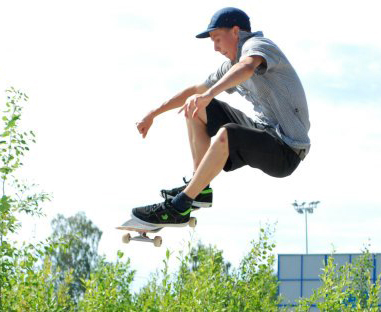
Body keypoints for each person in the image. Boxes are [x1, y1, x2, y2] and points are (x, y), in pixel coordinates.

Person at [132, 7, 311, 226]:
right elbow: (194, 90)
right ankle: (199, 190)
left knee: (227, 132)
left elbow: (246, 68)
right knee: (196, 105)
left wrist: (208, 94)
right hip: (264, 132)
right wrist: (154, 113)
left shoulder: (258, 46)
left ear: (236, 32)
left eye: (217, 39)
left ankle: (180, 206)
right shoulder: (229, 66)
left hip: (287, 150)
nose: (216, 48)